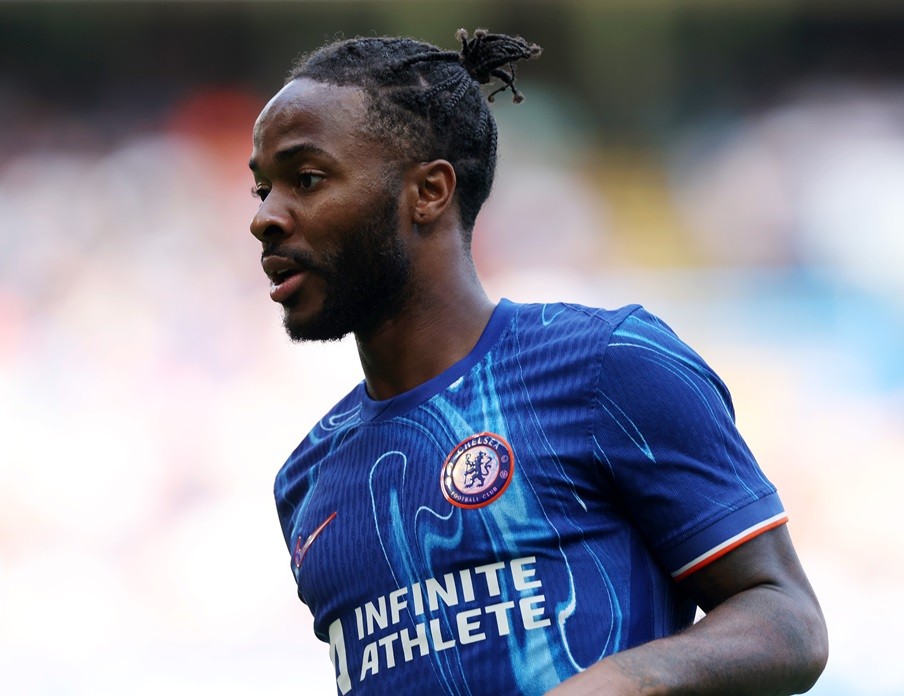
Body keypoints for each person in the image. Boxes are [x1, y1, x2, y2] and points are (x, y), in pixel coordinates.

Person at [249, 28, 828, 695]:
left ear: (429, 192)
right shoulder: (307, 477)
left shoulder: (606, 366)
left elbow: (788, 620)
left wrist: (625, 680)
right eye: (261, 190)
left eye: (307, 178)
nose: (266, 217)